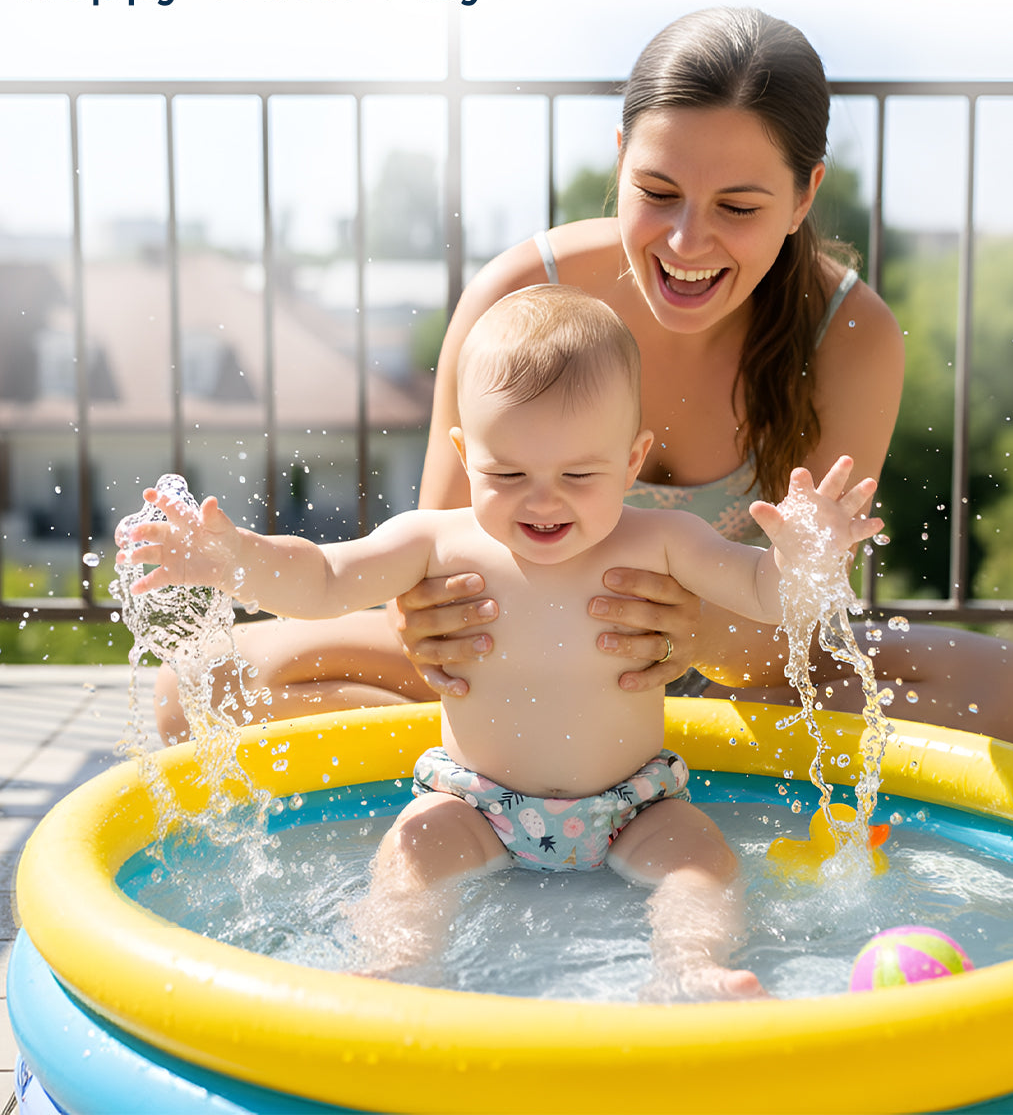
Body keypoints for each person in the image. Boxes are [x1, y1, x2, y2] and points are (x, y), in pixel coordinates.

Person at [153, 6, 1013, 750]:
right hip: (514, 650)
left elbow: (798, 621)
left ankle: (642, 761)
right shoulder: (520, 295)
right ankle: (545, 764)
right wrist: (439, 634)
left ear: (805, 195)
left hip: (737, 665)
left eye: (739, 207)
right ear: (620, 156)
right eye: (657, 191)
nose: (686, 242)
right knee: (192, 691)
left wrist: (692, 635)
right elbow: (428, 577)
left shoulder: (850, 335)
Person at [122, 286, 882, 998]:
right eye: (507, 470)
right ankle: (394, 966)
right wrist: (237, 560)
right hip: (474, 802)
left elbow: (766, 596)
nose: (542, 498)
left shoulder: (664, 540)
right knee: (409, 859)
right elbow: (323, 576)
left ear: (631, 459)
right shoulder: (435, 541)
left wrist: (808, 560)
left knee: (703, 864)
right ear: (464, 450)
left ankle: (690, 967)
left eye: (580, 473)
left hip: (635, 803)